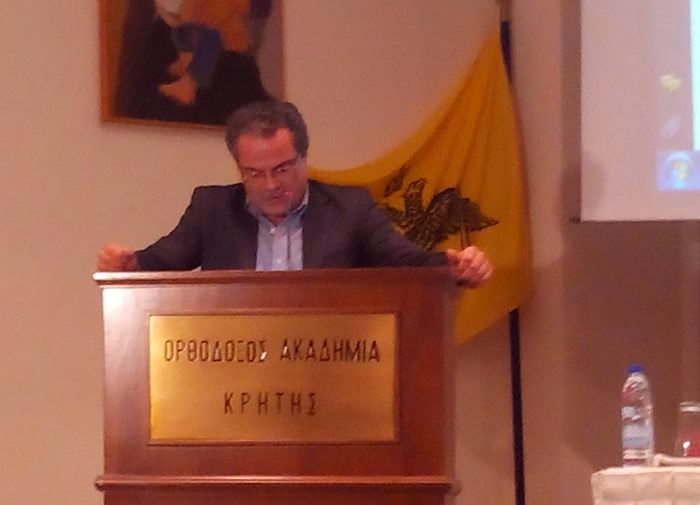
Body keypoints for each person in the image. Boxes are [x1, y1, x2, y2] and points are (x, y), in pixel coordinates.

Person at [97, 100, 493, 287]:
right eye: (254, 173)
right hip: (233, 374)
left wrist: (456, 267)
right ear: (238, 168)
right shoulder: (211, 209)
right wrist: (128, 264)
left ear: (304, 158)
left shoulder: (350, 209)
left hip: (327, 368)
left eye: (282, 169)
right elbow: (160, 262)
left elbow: (408, 262)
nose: (270, 185)